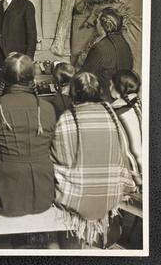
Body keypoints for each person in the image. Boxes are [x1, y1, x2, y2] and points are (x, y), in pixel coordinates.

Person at [51, 72, 137, 245]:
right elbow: (121, 153)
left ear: (74, 93)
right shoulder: (112, 115)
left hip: (76, 198)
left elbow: (58, 160)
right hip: (112, 194)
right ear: (99, 91)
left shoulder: (66, 119)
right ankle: (101, 240)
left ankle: (73, 240)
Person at [0, 52, 56, 217]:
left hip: (5, 192)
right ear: (32, 77)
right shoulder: (47, 109)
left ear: (3, 76)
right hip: (42, 191)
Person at [81, 7, 133, 101]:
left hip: (104, 100)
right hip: (122, 97)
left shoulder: (100, 47)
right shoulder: (124, 44)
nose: (95, 22)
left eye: (97, 20)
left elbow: (84, 76)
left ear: (104, 25)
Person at [110, 69, 142, 185]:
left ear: (118, 88)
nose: (109, 87)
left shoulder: (119, 114)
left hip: (137, 175)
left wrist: (137, 180)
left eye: (111, 84)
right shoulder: (137, 103)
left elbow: (128, 152)